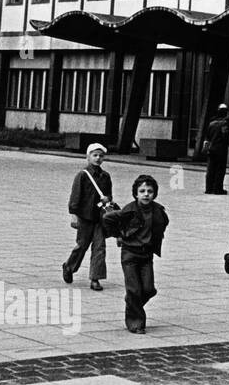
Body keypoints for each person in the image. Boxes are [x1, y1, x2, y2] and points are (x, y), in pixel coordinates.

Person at [102, 174, 169, 334]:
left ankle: (131, 304)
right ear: (136, 194)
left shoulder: (158, 210)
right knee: (134, 289)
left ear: (155, 193)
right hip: (130, 254)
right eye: (142, 191)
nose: (146, 194)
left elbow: (163, 223)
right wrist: (119, 235)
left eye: (150, 191)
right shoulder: (129, 210)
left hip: (146, 256)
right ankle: (136, 323)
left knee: (149, 289)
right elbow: (108, 218)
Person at [63, 142, 118, 292]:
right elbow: (75, 196)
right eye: (95, 155)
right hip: (85, 217)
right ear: (88, 157)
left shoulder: (105, 176)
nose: (98, 158)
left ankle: (95, 279)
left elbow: (109, 195)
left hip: (100, 218)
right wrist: (74, 215)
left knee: (99, 248)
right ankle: (69, 267)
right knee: (82, 245)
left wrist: (108, 199)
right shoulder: (82, 175)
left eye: (101, 156)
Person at [202, 103, 229, 195]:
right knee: (220, 169)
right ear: (226, 113)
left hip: (211, 149)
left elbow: (207, 137)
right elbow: (228, 134)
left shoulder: (211, 123)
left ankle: (209, 188)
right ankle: (218, 189)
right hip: (221, 149)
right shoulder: (226, 123)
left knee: (210, 169)